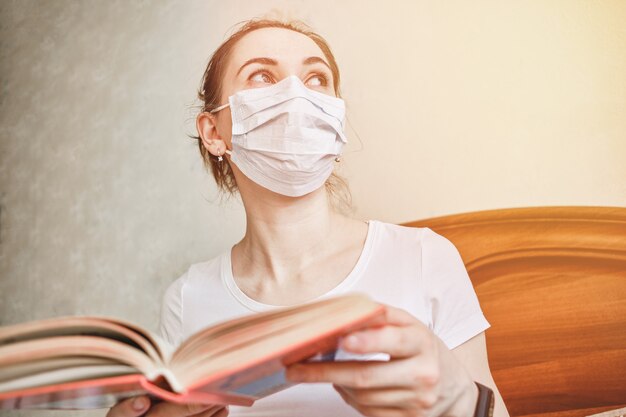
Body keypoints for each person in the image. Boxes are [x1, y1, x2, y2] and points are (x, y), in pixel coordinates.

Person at [107, 18, 509, 417]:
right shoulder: (188, 298)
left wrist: (462, 402)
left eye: (317, 78)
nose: (297, 93)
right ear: (213, 131)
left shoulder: (424, 257)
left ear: (334, 119)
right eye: (263, 75)